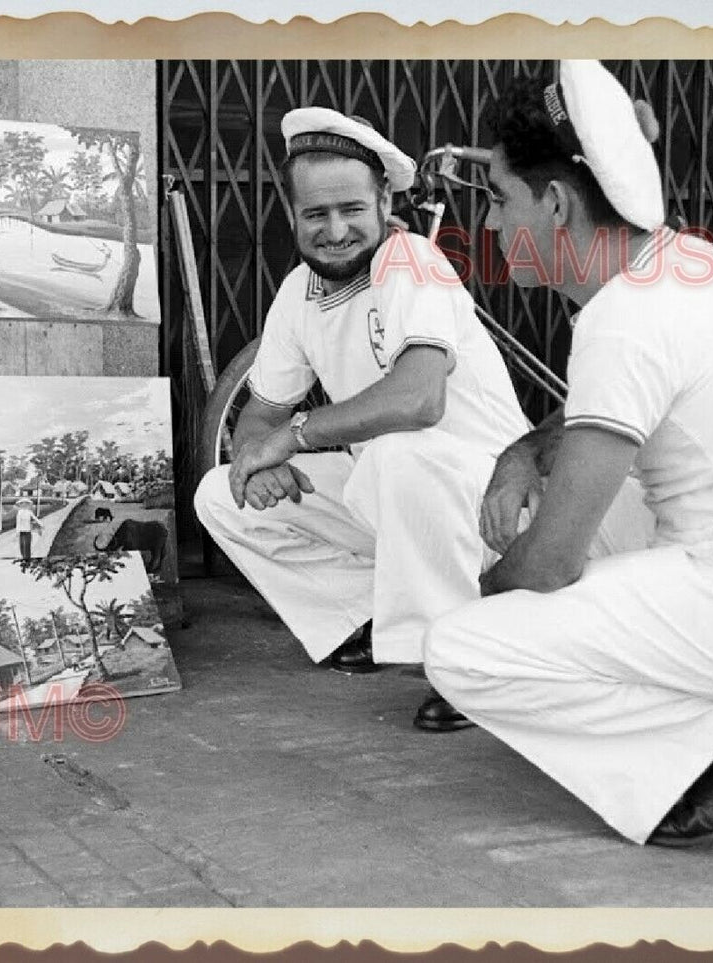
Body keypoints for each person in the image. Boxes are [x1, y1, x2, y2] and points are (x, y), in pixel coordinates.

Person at [422, 61, 713, 845]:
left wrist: (495, 596)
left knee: (460, 652)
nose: (487, 227)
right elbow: (618, 412)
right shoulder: (676, 264)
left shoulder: (622, 317)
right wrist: (525, 450)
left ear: (554, 204)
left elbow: (549, 563)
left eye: (498, 200)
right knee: (563, 523)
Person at [193, 107, 532, 730]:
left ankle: (466, 667)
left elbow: (417, 400)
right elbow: (262, 410)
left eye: (352, 208)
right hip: (394, 500)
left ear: (382, 201)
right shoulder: (299, 291)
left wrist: (291, 440)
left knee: (399, 451)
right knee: (221, 494)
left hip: (489, 508)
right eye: (315, 214)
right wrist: (252, 458)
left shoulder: (411, 264)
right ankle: (363, 622)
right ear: (291, 216)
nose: (336, 229)